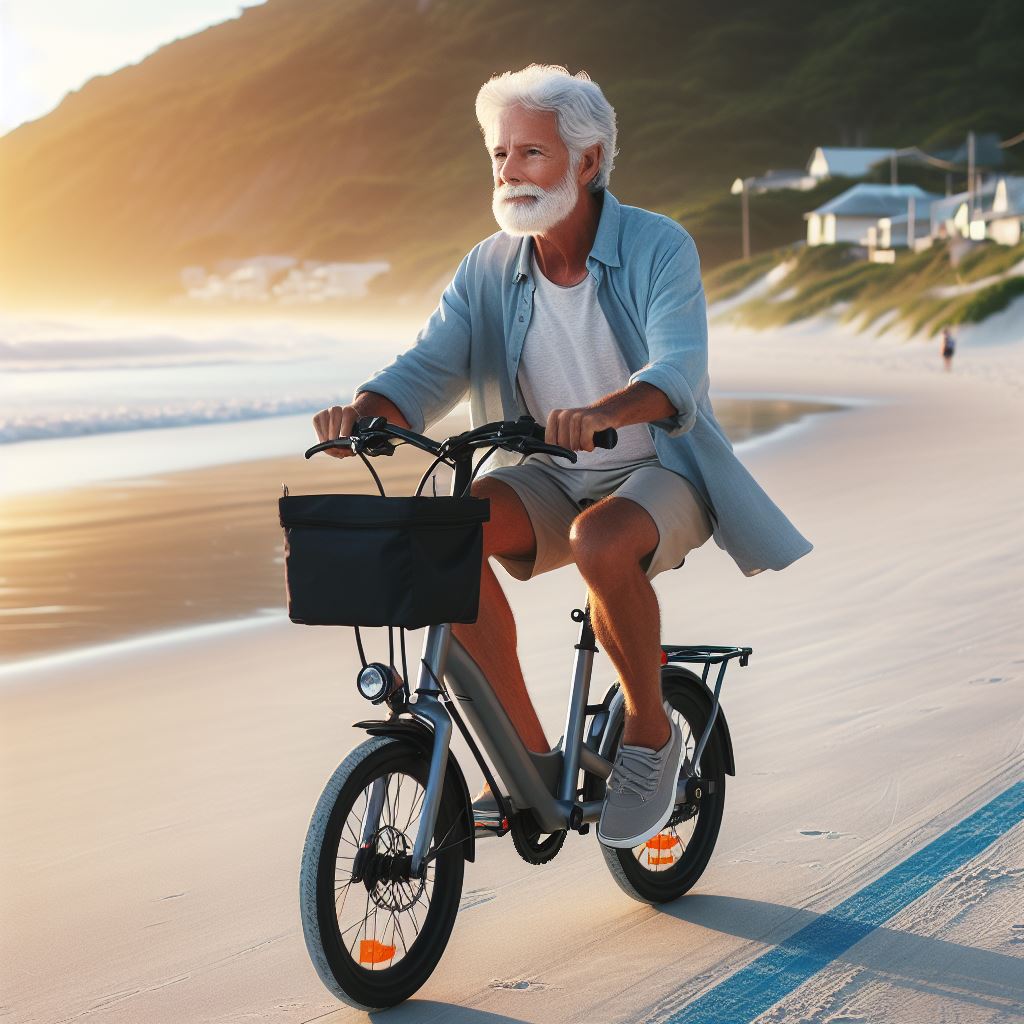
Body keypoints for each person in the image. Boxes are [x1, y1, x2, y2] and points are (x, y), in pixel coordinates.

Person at [312, 64, 812, 849]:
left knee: (599, 541)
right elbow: (428, 365)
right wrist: (366, 413)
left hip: (660, 469)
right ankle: (525, 760)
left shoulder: (657, 246)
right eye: (500, 155)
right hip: (547, 471)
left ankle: (649, 733)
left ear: (588, 159)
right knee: (443, 534)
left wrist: (606, 413)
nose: (510, 171)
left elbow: (676, 369)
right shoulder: (488, 266)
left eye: (531, 153)